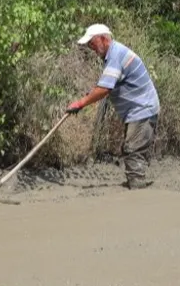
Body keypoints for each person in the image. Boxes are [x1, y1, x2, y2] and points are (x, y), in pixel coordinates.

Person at [66, 24, 161, 189]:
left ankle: (138, 190)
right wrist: (89, 95)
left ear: (103, 39)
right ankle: (137, 186)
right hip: (139, 109)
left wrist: (80, 103)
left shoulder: (116, 55)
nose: (92, 48)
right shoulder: (114, 54)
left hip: (142, 109)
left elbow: (104, 89)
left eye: (92, 43)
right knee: (133, 149)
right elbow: (105, 85)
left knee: (132, 149)